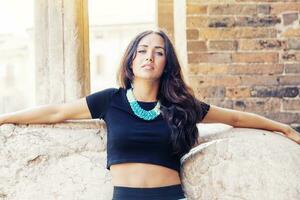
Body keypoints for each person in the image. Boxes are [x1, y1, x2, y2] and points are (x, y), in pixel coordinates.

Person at [0, 29, 299, 200]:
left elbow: (233, 118)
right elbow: (56, 111)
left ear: (166, 63)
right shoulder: (110, 101)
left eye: (158, 52)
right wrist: (3, 117)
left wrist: (283, 129)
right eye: (142, 51)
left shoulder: (181, 105)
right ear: (130, 61)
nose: (149, 57)